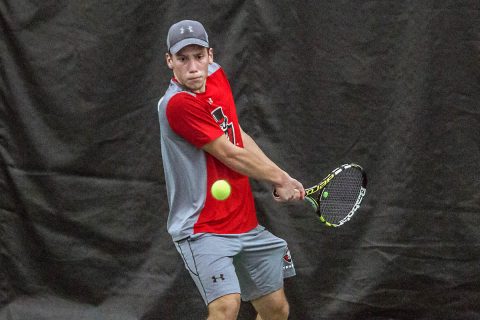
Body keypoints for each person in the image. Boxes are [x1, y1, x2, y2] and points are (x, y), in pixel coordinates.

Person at [157, 19, 305, 320]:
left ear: (210, 55)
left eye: (199, 56)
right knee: (226, 307)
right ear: (169, 61)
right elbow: (228, 154)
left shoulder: (216, 76)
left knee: (276, 310)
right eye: (183, 59)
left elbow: (234, 133)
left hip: (244, 223)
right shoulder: (177, 104)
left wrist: (283, 176)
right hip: (202, 229)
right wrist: (278, 178)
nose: (193, 67)